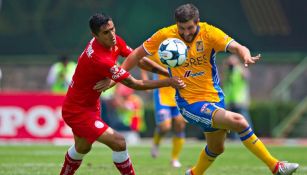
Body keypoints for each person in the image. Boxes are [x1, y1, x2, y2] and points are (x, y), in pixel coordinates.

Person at [96, 3, 299, 175]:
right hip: (190, 103)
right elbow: (135, 55)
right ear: (176, 25)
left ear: (198, 22)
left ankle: (193, 173)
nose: (185, 33)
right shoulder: (165, 35)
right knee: (239, 121)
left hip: (214, 98)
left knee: (216, 148)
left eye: (190, 28)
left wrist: (244, 55)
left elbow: (237, 47)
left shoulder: (210, 33)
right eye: (181, 28)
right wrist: (116, 77)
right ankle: (276, 167)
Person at [59, 13, 185, 175]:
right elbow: (134, 83)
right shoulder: (100, 59)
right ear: (95, 35)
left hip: (90, 105)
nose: (112, 35)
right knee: (119, 142)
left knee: (83, 147)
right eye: (106, 32)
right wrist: (169, 82)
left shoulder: (114, 41)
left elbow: (137, 59)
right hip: (77, 111)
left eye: (112, 29)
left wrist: (168, 73)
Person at [142, 53, 186, 168]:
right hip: (162, 95)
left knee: (180, 125)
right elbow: (142, 62)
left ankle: (175, 159)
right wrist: (145, 79)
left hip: (179, 94)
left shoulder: (184, 50)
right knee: (165, 127)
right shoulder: (159, 50)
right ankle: (156, 143)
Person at [223, 54, 253, 140]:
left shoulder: (240, 70)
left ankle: (250, 137)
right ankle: (235, 139)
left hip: (240, 100)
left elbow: (246, 75)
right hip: (231, 101)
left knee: (245, 120)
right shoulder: (228, 72)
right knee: (233, 122)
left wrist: (239, 66)